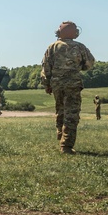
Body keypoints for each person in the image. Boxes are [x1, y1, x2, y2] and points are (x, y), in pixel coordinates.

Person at [40, 21, 96, 154]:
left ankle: (60, 132)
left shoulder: (52, 47)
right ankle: (66, 145)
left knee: (60, 110)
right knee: (71, 114)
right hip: (72, 84)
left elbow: (46, 67)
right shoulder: (80, 47)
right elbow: (89, 64)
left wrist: (47, 84)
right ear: (73, 32)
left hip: (56, 84)